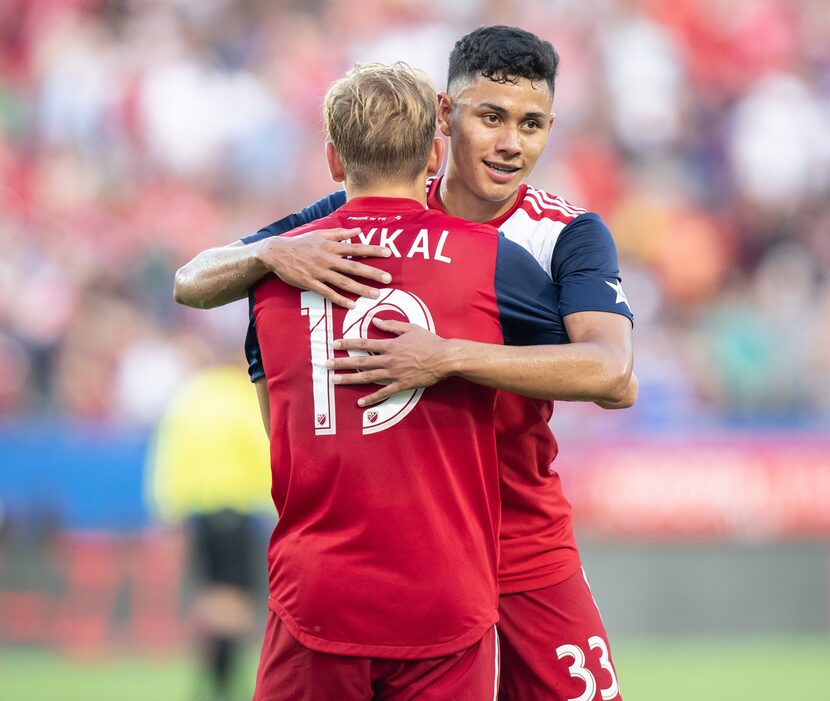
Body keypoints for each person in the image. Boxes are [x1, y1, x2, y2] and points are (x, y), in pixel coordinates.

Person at [175, 27, 633, 701]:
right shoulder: (347, 218)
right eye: (492, 117)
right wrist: (264, 254)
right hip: (416, 554)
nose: (511, 143)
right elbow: (193, 278)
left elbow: (614, 372)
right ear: (444, 122)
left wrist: (447, 356)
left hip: (523, 543)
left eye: (532, 124)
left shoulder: (565, 235)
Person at [244, 61, 575, 699]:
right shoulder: (492, 259)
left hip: (316, 594)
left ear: (335, 162)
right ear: (433, 152)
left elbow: (275, 427)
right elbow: (589, 371)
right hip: (445, 588)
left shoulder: (269, 272)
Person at [150, 365, 272, 701]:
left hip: (199, 512)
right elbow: (265, 446)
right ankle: (224, 685)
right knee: (234, 603)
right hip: (238, 507)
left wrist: (167, 509)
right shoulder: (242, 395)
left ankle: (211, 682)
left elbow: (169, 454)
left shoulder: (190, 398)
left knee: (210, 597)